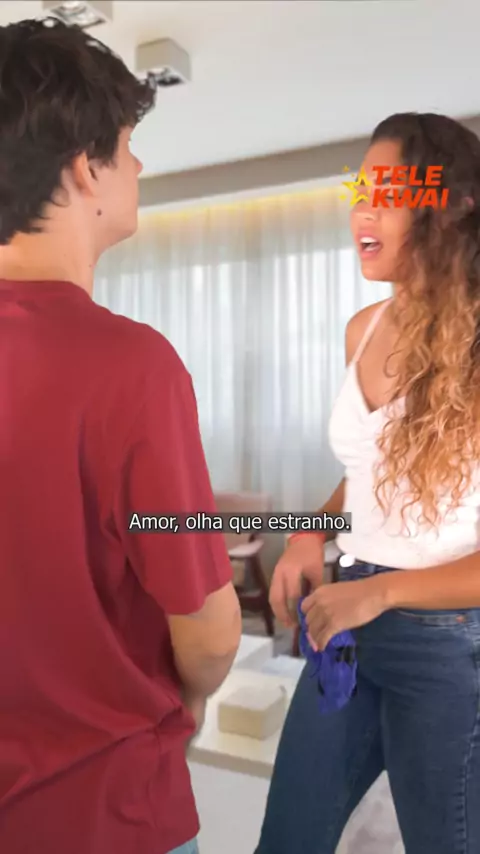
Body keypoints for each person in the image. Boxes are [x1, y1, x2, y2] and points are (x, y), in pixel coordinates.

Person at [0, 18, 241, 854]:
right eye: (129, 148)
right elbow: (209, 635)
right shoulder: (132, 367)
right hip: (106, 812)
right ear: (84, 168)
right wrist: (192, 697)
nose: (137, 168)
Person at [255, 112, 480, 854]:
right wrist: (310, 531)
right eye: (360, 191)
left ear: (449, 206)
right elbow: (369, 480)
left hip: (446, 646)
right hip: (347, 622)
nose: (363, 210)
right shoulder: (364, 328)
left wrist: (380, 592)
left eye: (388, 192)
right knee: (288, 839)